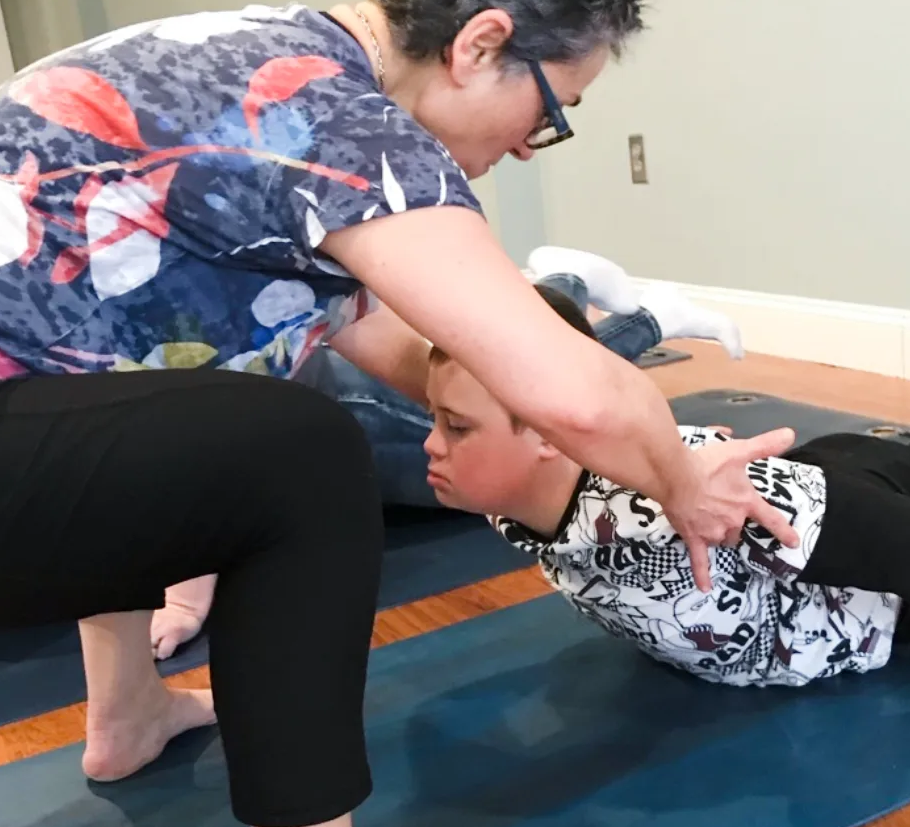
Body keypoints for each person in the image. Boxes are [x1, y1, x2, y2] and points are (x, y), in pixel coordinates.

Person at [0, 0, 799, 827]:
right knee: (296, 457)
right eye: (551, 109)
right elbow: (582, 392)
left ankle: (126, 713)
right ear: (481, 43)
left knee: (163, 408)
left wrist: (507, 401)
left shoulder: (283, 69)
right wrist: (682, 482)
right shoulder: (344, 130)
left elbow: (402, 346)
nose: (526, 147)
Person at [420, 287, 910, 686]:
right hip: (832, 492)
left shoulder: (661, 502)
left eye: (455, 426)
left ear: (551, 431)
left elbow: (885, 534)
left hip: (885, 529)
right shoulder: (515, 499)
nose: (430, 444)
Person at [149, 246, 746, 660]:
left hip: (336, 412)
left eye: (451, 427)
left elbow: (201, 451)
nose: (437, 440)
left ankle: (622, 304)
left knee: (499, 414)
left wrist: (665, 451)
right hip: (317, 429)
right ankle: (577, 285)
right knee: (489, 412)